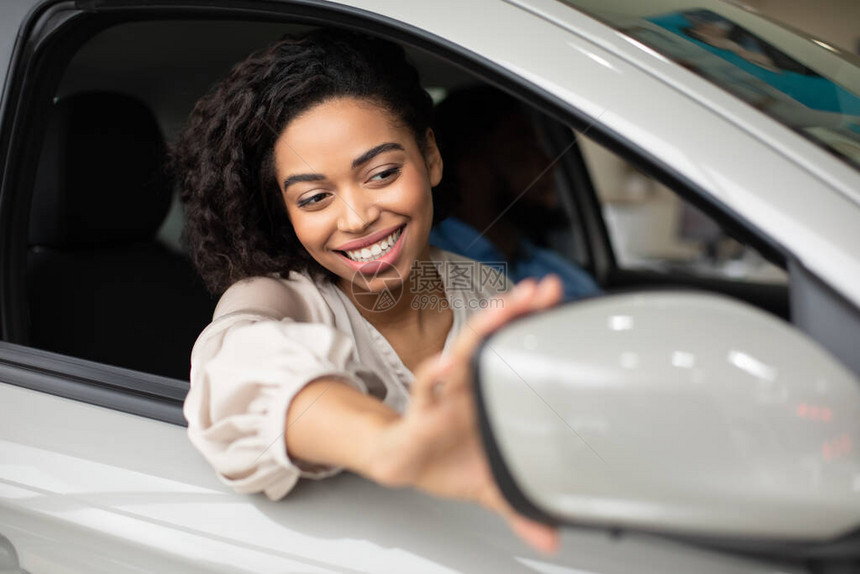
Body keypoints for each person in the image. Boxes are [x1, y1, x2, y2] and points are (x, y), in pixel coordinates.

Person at [172, 28, 562, 552]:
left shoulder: (481, 287)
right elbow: (239, 367)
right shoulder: (280, 300)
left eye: (381, 173)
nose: (357, 219)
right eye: (314, 198)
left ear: (430, 157)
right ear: (285, 214)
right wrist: (392, 443)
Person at [429, 86, 601, 300]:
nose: (551, 163)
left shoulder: (558, 272)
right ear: (471, 167)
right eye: (524, 146)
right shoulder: (426, 268)